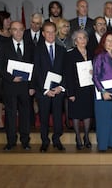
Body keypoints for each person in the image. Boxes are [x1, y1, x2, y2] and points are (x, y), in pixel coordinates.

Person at [0, 21, 34, 151]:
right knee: (10, 114)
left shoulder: (30, 45)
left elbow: (35, 67)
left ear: (24, 30)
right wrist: (11, 77)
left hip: (25, 86)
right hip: (10, 85)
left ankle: (25, 141)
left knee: (25, 114)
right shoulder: (3, 45)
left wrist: (32, 85)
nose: (18, 32)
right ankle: (11, 141)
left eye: (20, 29)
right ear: (10, 31)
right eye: (15, 29)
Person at [33, 22, 67, 152]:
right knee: (44, 117)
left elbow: (66, 71)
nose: (51, 34)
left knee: (58, 117)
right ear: (43, 34)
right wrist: (45, 90)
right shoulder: (37, 50)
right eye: (48, 32)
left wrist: (61, 87)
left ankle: (57, 140)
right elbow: (36, 72)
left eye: (53, 31)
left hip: (58, 91)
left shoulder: (61, 50)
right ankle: (45, 141)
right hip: (43, 91)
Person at [92, 32, 112, 152]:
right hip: (104, 93)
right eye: (108, 41)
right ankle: (103, 146)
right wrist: (103, 91)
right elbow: (95, 76)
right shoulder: (100, 56)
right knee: (103, 120)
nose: (111, 43)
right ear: (103, 43)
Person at [65, 30, 95, 150]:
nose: (82, 40)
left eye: (84, 38)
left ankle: (86, 137)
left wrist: (94, 72)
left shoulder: (92, 53)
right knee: (76, 115)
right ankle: (78, 137)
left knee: (88, 113)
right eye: (80, 38)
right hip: (76, 90)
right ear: (75, 41)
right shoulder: (70, 54)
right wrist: (70, 93)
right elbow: (68, 75)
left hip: (89, 88)